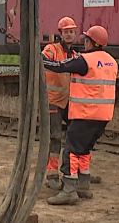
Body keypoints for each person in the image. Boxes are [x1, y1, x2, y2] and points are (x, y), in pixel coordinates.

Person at [42, 25, 117, 205]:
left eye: (86, 40)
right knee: (84, 150)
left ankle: (69, 190)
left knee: (71, 150)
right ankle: (83, 186)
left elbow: (59, 67)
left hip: (85, 114)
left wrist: (40, 60)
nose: (84, 43)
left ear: (93, 42)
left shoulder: (85, 60)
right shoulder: (111, 61)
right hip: (103, 116)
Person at [42, 16, 78, 190]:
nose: (69, 34)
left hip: (68, 101)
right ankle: (51, 174)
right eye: (66, 32)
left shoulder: (75, 55)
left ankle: (73, 172)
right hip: (53, 101)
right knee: (55, 137)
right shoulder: (51, 49)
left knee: (74, 137)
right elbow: (42, 61)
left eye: (72, 31)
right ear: (60, 33)